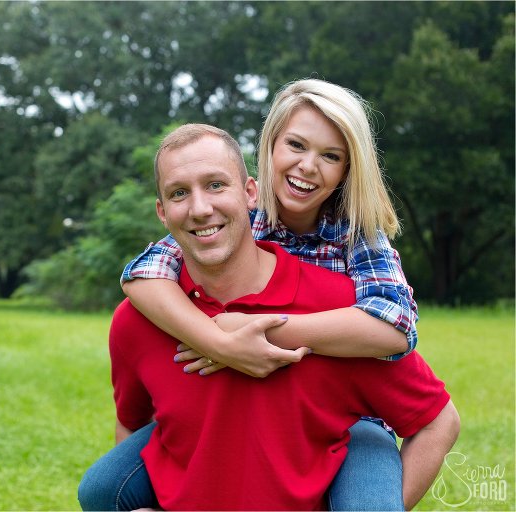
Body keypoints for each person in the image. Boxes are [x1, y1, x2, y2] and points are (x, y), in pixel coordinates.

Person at [78, 124, 460, 510]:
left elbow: (433, 412)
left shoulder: (345, 300)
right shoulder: (143, 316)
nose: (200, 208)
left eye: (215, 185)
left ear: (250, 194)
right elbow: (132, 427)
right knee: (97, 487)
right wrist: (220, 342)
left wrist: (275, 330)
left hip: (360, 424)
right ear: (162, 212)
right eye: (179, 193)